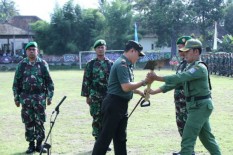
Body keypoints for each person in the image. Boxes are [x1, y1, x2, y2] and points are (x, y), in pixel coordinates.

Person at [146, 39, 221, 155]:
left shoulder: (199, 68)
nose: (184, 54)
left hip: (199, 106)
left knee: (187, 140)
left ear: (196, 52)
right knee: (207, 139)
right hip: (196, 106)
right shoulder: (190, 67)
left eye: (187, 51)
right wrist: (154, 91)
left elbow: (180, 78)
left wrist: (157, 77)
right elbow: (177, 83)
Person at [92, 40, 154, 155]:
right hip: (114, 104)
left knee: (120, 138)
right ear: (132, 51)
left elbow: (126, 86)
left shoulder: (127, 64)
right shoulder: (122, 64)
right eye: (138, 55)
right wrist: (144, 81)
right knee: (104, 139)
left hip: (120, 105)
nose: (138, 58)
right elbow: (125, 87)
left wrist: (140, 92)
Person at [12, 41, 54, 154]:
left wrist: (49, 96)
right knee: (28, 122)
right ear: (26, 51)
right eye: (29, 49)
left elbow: (49, 82)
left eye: (33, 49)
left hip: (39, 97)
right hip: (25, 98)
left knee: (40, 121)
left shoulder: (43, 64)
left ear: (37, 51)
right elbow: (16, 83)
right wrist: (16, 98)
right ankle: (31, 145)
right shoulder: (21, 65)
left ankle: (39, 145)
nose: (32, 51)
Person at [81, 39, 113, 150]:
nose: (100, 49)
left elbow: (114, 81)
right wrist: (87, 96)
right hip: (94, 95)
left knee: (107, 119)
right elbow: (86, 80)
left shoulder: (111, 64)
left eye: (102, 47)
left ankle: (106, 143)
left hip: (108, 95)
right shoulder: (90, 64)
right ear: (95, 49)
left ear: (105, 48)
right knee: (96, 118)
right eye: (98, 47)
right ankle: (97, 141)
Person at [173, 36, 194, 155]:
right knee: (181, 124)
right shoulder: (181, 64)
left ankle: (189, 150)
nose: (179, 51)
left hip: (186, 100)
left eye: (181, 48)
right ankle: (185, 150)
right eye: (179, 48)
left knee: (187, 126)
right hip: (179, 100)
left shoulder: (191, 65)